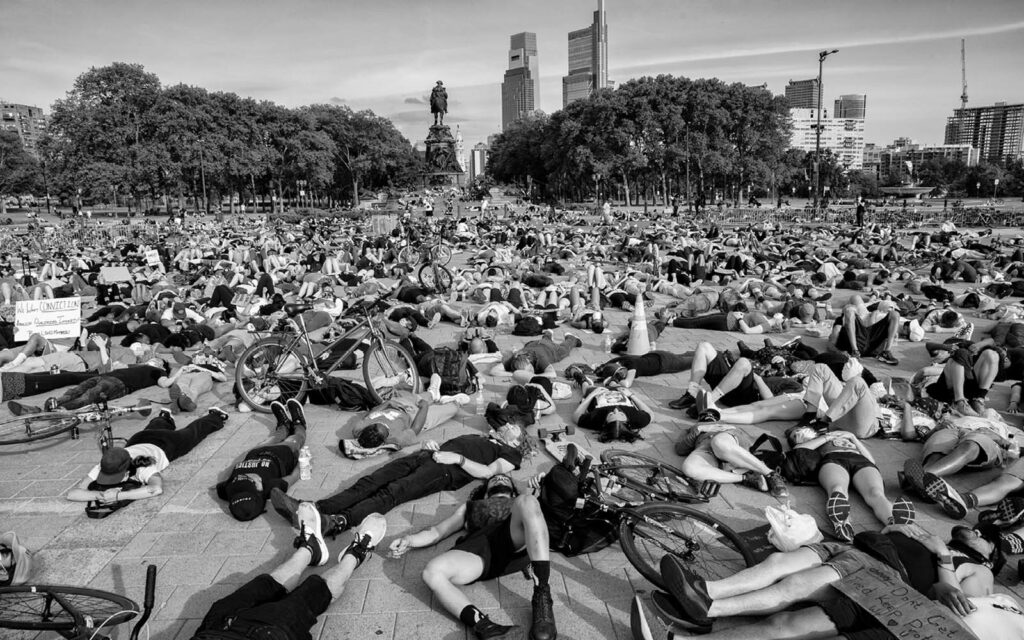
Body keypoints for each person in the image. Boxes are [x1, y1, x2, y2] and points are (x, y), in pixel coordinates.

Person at [635, 521, 1004, 636]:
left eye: (981, 534)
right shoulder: (924, 532)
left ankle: (709, 607)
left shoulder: (975, 567)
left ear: (989, 553)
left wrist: (942, 555)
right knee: (779, 562)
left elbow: (961, 607)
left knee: (793, 592)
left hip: (884, 578)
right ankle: (705, 595)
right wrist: (905, 528)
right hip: (853, 547)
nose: (972, 530)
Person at [270, 425, 527, 538]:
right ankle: (316, 509)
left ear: (517, 441)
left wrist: (456, 458)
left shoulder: (510, 454)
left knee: (392, 493)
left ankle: (337, 523)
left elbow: (486, 472)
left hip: (446, 471)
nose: (506, 425)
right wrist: (430, 445)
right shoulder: (483, 436)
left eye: (512, 427)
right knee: (370, 481)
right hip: (428, 455)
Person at [389, 475, 557, 640]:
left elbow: (548, 517)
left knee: (528, 501)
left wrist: (546, 483)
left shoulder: (523, 500)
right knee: (431, 572)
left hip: (513, 540)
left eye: (505, 479)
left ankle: (542, 596)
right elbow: (439, 531)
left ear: (513, 493)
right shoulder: (470, 508)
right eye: (494, 480)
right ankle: (487, 629)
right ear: (485, 494)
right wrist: (409, 540)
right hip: (478, 552)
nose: (500, 479)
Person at [187, 507, 387, 640]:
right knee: (311, 593)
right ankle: (355, 554)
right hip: (265, 635)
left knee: (262, 587)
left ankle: (310, 550)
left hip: (213, 631)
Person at [67, 408, 229, 504]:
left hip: (167, 444)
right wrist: (100, 496)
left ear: (125, 472)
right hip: (139, 439)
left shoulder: (143, 467)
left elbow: (156, 488)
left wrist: (118, 495)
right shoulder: (108, 462)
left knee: (193, 433)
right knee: (153, 427)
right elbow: (72, 493)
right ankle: (164, 417)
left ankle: (215, 416)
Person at [216, 400, 306, 521]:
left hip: (255, 453)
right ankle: (299, 424)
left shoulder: (225, 490)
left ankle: (284, 426)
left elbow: (224, 479)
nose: (246, 480)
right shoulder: (271, 488)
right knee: (296, 438)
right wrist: (302, 461)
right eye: (252, 484)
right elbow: (294, 476)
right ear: (260, 494)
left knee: (274, 437)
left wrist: (233, 468)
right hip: (282, 455)